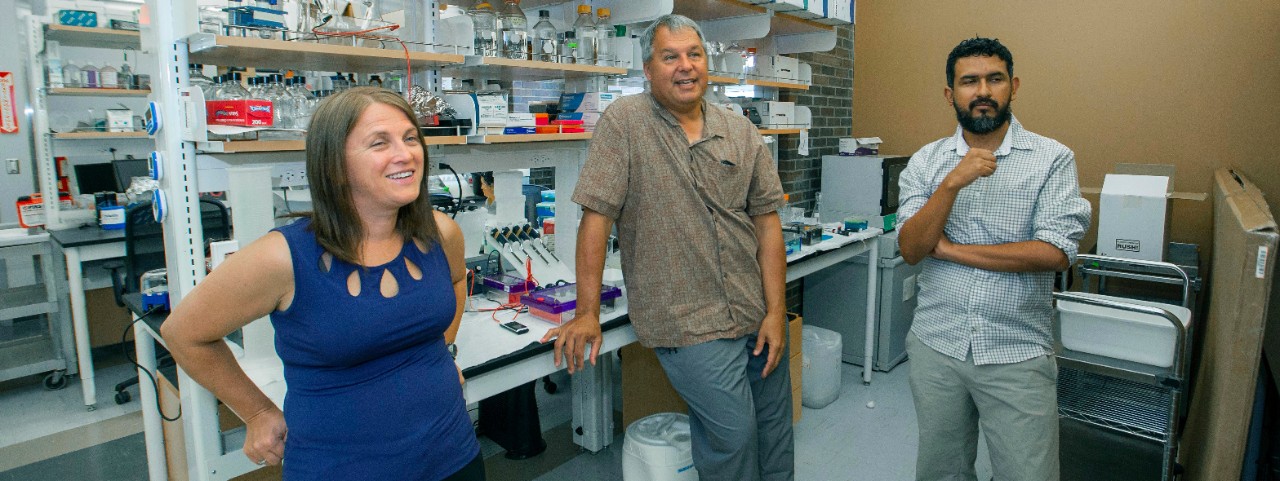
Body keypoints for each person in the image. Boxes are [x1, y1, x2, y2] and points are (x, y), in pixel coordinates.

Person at [161, 87, 485, 481]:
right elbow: (184, 334)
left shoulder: (440, 232)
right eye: (379, 143)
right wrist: (257, 412)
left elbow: (456, 280)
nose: (406, 154)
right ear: (335, 165)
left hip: (454, 457)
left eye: (410, 138)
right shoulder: (283, 257)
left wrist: (444, 349)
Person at [540, 14, 794, 481]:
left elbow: (767, 224)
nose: (685, 66)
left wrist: (777, 312)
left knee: (775, 435)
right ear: (647, 68)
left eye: (694, 54)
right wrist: (587, 312)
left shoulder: (738, 129)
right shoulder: (626, 123)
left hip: (753, 309)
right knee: (734, 440)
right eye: (670, 56)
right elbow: (595, 219)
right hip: (686, 321)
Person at [896, 37, 1091, 481]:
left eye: (994, 79)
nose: (982, 91)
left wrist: (951, 250)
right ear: (950, 94)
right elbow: (911, 248)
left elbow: (1054, 252)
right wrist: (951, 183)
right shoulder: (927, 162)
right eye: (970, 81)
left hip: (1016, 350)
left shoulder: (1051, 158)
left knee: (1028, 474)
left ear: (1013, 86)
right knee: (942, 471)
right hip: (936, 345)